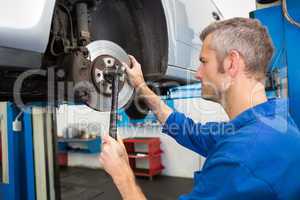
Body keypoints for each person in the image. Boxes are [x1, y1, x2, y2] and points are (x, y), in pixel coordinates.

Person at [99, 17, 300, 199]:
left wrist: (122, 174)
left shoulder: (240, 159)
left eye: (204, 61)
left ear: (231, 63)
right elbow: (190, 132)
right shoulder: (272, 122)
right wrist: (141, 86)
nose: (198, 73)